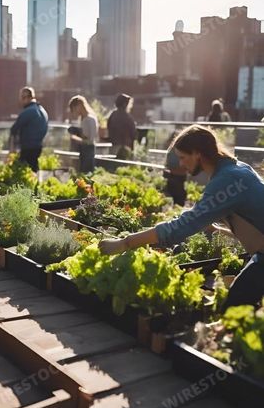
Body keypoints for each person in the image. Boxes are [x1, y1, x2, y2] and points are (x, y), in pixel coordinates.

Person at [99, 125, 264, 310]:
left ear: (197, 154)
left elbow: (182, 225)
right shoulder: (238, 169)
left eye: (183, 157)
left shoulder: (227, 180)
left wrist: (126, 243)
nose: (181, 164)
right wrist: (220, 230)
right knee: (239, 304)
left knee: (235, 309)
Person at [9, 86, 48, 172]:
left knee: (21, 172)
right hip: (38, 147)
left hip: (27, 148)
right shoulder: (43, 111)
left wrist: (12, 150)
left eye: (22, 98)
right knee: (34, 171)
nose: (20, 101)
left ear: (26, 97)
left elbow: (14, 129)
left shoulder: (28, 112)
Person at [68, 95, 98, 173]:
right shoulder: (84, 119)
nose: (74, 112)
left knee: (86, 174)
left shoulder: (90, 119)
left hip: (88, 151)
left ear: (79, 105)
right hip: (84, 151)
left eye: (74, 109)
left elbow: (90, 140)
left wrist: (75, 137)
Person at [107, 93, 136, 157]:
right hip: (126, 147)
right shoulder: (128, 117)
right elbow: (133, 134)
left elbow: (108, 129)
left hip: (114, 146)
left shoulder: (112, 115)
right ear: (125, 104)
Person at [163, 131, 187, 205]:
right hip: (174, 177)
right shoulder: (172, 151)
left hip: (177, 177)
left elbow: (184, 169)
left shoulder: (178, 150)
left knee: (178, 198)